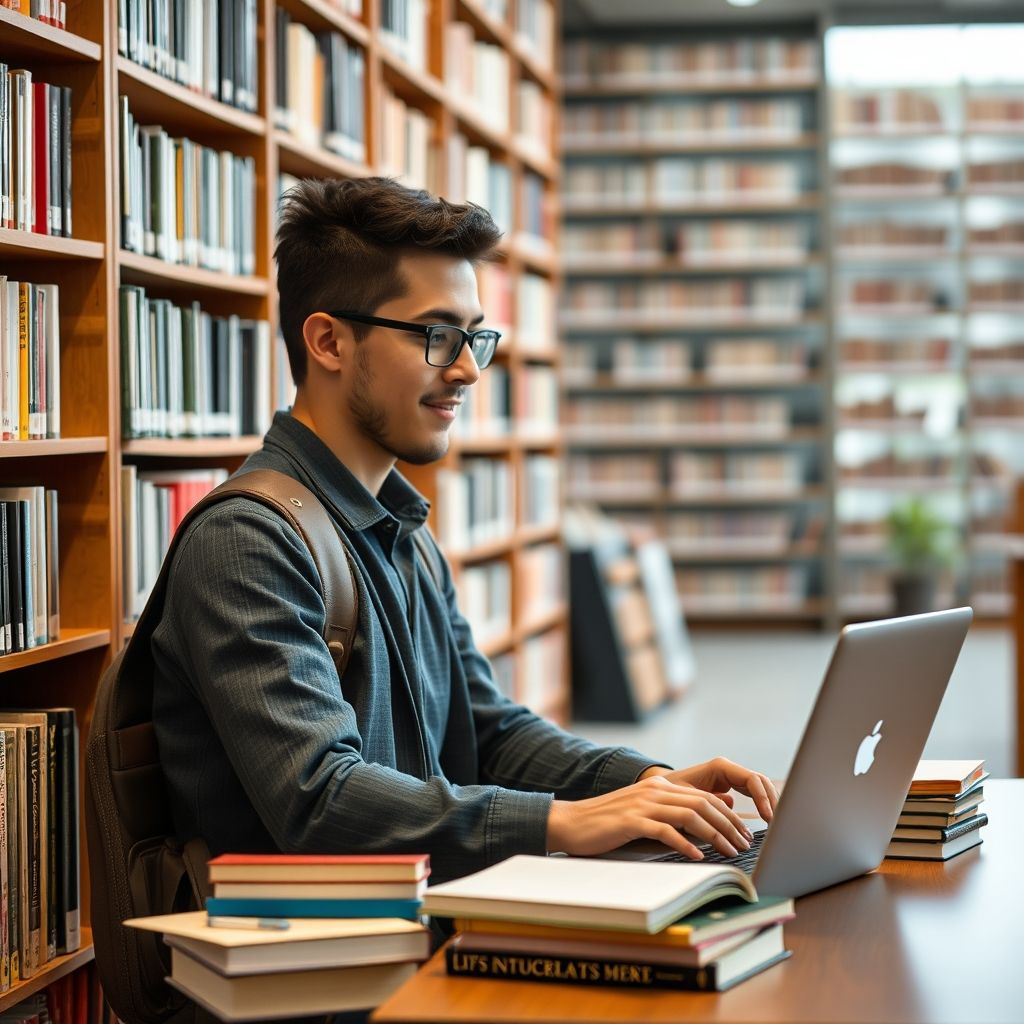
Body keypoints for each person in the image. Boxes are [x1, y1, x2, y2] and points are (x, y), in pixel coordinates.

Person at [151, 176, 778, 886]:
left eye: (475, 336)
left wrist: (647, 785)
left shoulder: (403, 529)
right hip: (326, 969)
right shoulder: (247, 542)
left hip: (423, 920)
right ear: (328, 341)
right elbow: (320, 798)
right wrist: (563, 823)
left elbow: (487, 733)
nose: (469, 369)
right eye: (438, 336)